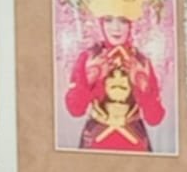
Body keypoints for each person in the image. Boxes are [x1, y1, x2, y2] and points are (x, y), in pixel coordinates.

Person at [64, 13, 164, 152]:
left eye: (123, 20)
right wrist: (91, 78)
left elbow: (155, 119)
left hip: (135, 144)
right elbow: (75, 110)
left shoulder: (142, 62)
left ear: (131, 24)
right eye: (108, 20)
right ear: (101, 23)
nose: (116, 28)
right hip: (96, 143)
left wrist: (142, 84)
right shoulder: (89, 58)